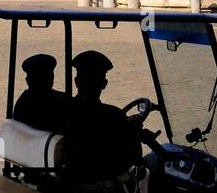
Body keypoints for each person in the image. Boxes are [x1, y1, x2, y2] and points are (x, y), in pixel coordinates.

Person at [63, 50, 141, 183]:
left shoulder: (64, 109)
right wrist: (133, 130)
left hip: (73, 179)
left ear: (76, 82)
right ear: (104, 84)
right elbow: (134, 156)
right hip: (103, 184)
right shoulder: (113, 115)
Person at [12, 54, 69, 132]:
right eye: (46, 77)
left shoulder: (25, 101)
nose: (50, 79)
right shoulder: (26, 103)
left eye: (50, 76)